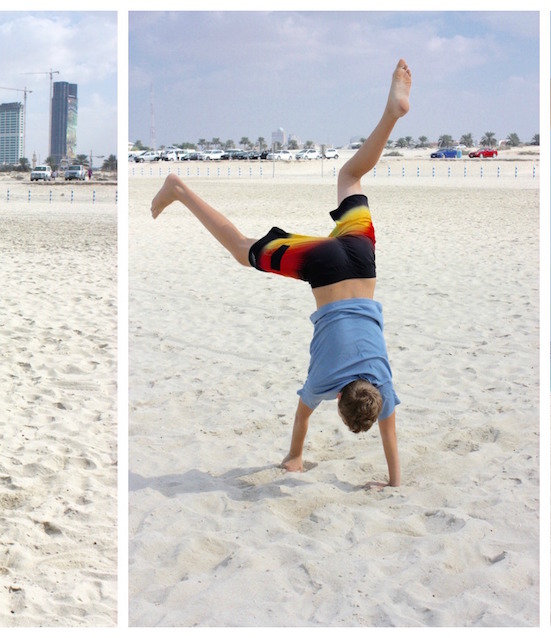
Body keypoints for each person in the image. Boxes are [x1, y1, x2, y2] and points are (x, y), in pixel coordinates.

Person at [151, 60, 413, 490]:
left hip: (360, 257)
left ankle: (391, 114)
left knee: (350, 175)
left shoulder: (382, 380)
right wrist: (294, 457)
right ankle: (178, 189)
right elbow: (302, 415)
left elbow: (391, 435)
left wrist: (395, 482)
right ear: (339, 401)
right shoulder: (324, 381)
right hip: (322, 269)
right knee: (241, 249)